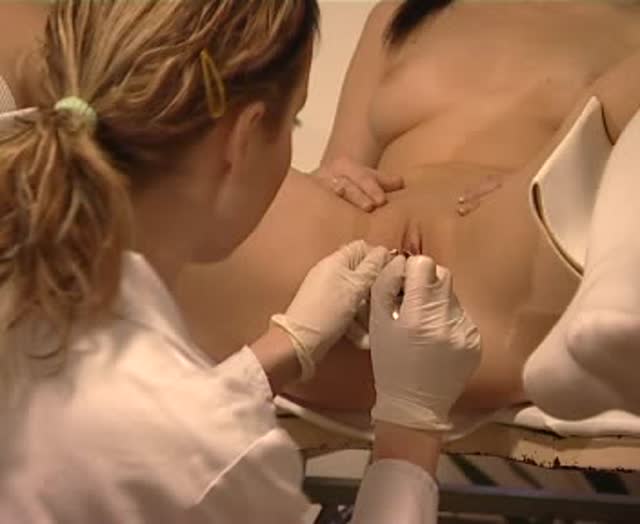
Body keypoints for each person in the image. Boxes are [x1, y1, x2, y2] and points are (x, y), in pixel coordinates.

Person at [0, 1, 482, 523]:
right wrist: (410, 432)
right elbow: (185, 448)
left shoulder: (31, 286)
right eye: (293, 120)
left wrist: (286, 346)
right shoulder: (212, 449)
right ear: (243, 138)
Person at [174, 0, 640, 418]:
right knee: (183, 173)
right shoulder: (398, 13)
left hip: (507, 245)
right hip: (342, 268)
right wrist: (332, 177)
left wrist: (553, 173)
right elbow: (342, 162)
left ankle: (558, 334)